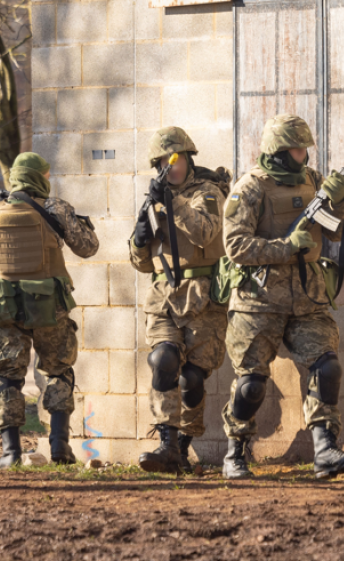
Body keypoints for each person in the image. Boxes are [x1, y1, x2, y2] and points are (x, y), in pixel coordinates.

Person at [221, 114, 344, 480]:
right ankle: (235, 452)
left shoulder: (314, 182)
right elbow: (235, 245)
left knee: (326, 367)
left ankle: (325, 450)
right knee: (251, 384)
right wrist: (285, 247)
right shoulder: (250, 188)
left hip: (307, 295)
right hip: (258, 297)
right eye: (297, 149)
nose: (304, 156)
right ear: (279, 152)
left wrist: (340, 199)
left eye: (305, 149)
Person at [0, 152, 99, 467]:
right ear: (41, 177)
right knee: (58, 372)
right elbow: (88, 247)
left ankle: (10, 453)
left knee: (8, 378)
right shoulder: (56, 209)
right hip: (48, 306)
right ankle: (59, 449)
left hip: (6, 308)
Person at [129, 127, 229, 473]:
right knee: (163, 358)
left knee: (192, 379)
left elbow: (204, 231)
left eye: (175, 160)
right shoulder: (155, 197)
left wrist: (172, 203)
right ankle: (167, 444)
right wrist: (139, 242)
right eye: (162, 162)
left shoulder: (208, 192)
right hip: (163, 297)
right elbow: (141, 263)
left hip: (203, 298)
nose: (169, 168)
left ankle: (184, 444)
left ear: (188, 158)